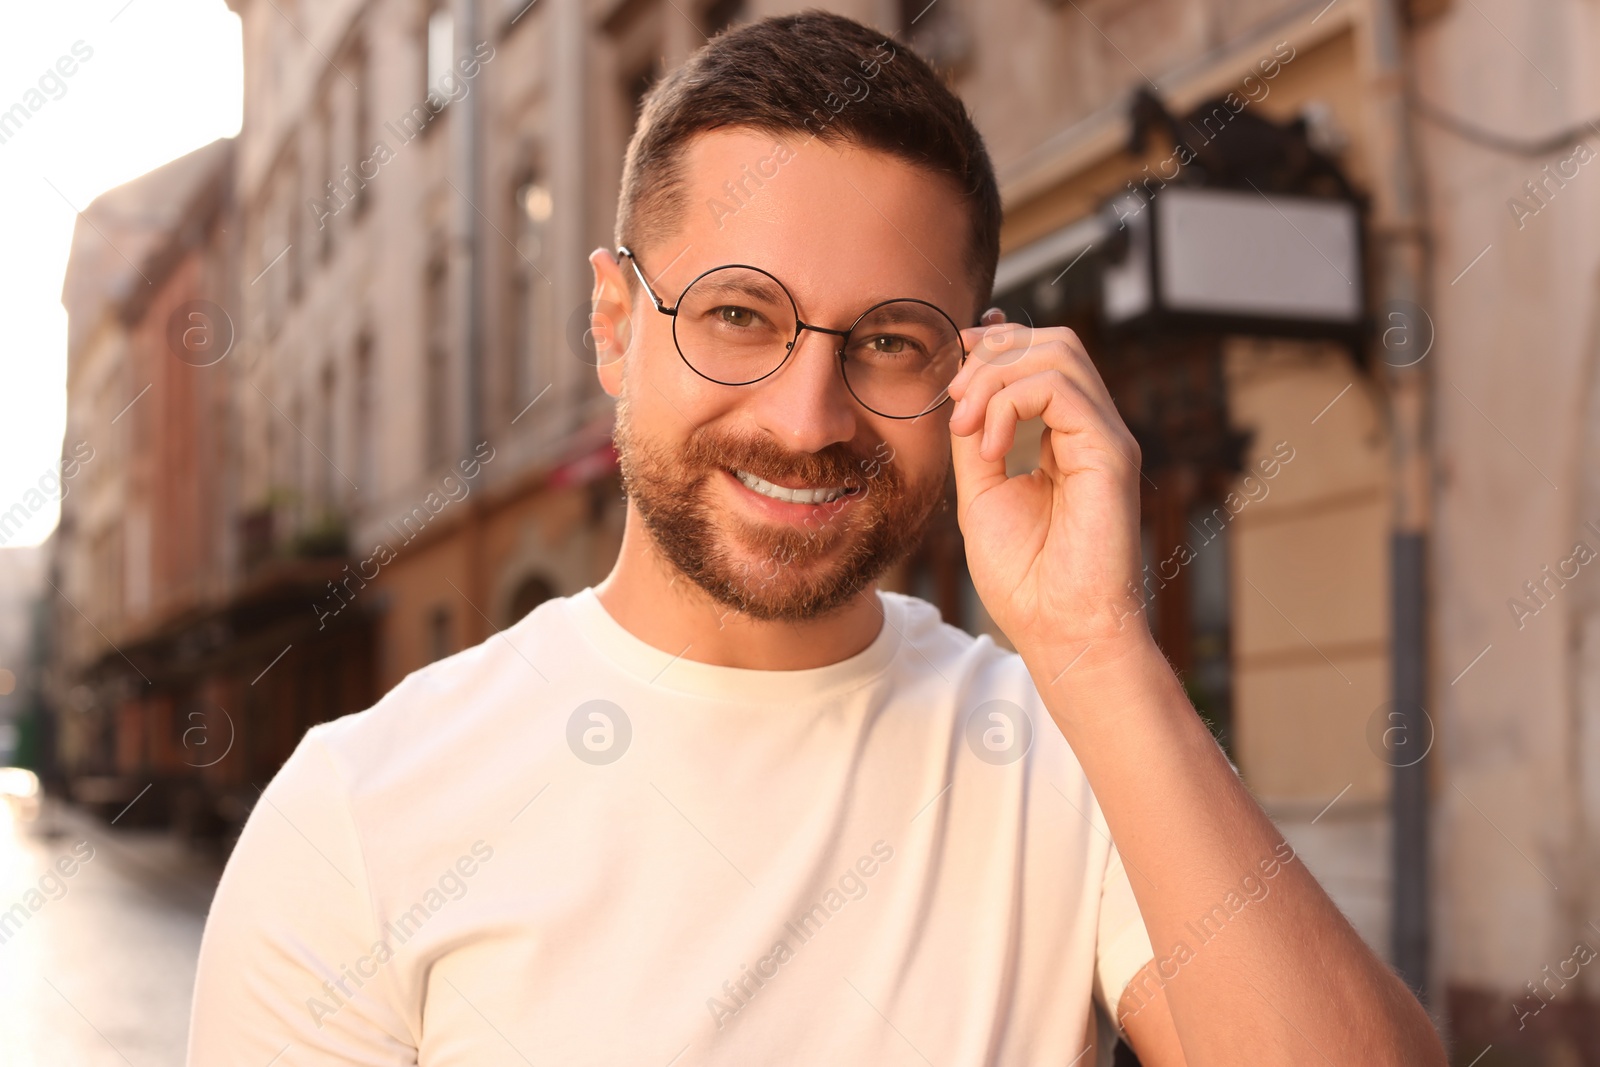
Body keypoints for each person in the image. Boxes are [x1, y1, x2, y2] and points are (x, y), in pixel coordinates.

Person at [187, 11, 1446, 1065]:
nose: (806, 418)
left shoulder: (1065, 751)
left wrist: (1096, 644)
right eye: (738, 314)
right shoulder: (357, 812)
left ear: (971, 369)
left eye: (890, 340)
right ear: (615, 323)